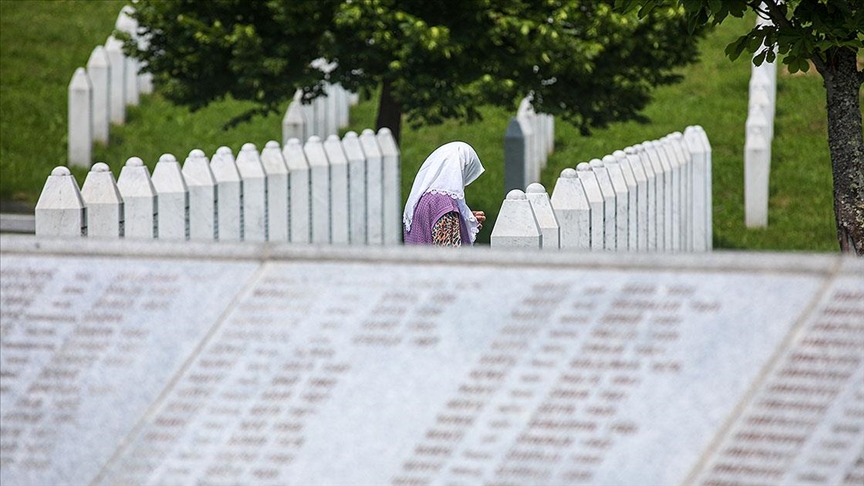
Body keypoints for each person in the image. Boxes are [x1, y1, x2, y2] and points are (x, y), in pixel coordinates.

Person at [403, 141, 486, 246]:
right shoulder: (444, 204)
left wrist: (463, 221)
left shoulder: (423, 198)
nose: (467, 184)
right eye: (467, 175)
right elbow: (448, 254)